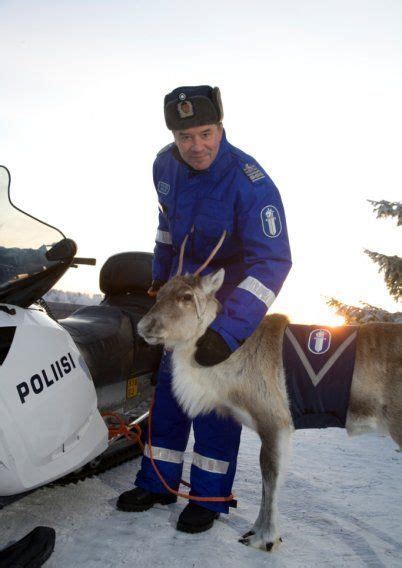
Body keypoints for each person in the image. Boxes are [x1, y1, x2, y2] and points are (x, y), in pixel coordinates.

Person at [117, 85, 292, 533]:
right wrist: (159, 283)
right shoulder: (164, 165)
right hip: (179, 298)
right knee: (171, 391)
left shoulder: (251, 182)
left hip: (223, 299)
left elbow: (272, 261)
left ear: (220, 128)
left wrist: (228, 330)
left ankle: (209, 497)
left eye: (205, 133)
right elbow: (165, 228)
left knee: (214, 400)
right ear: (173, 137)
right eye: (184, 136)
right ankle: (157, 482)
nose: (196, 146)